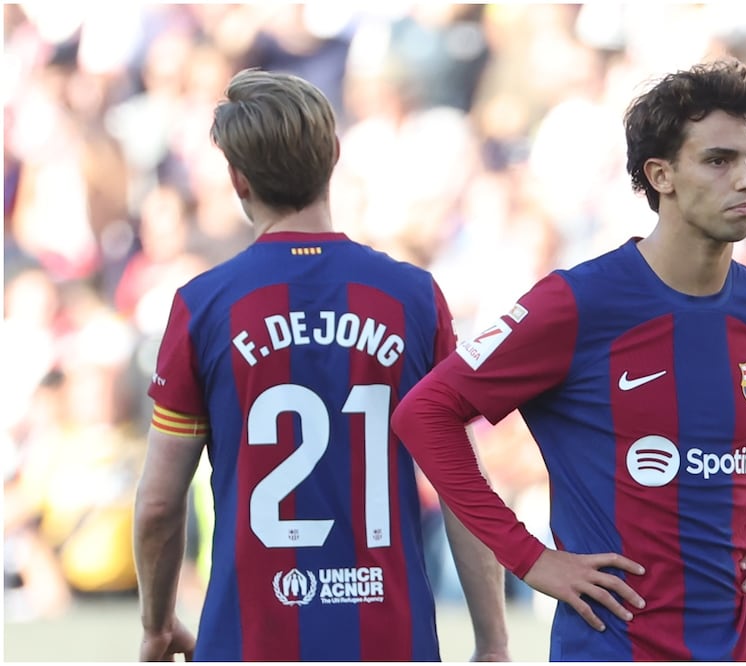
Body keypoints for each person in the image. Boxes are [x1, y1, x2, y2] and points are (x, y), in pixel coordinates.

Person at [393, 57, 746, 661]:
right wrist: (529, 556)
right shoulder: (577, 303)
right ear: (662, 175)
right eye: (718, 160)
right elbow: (426, 413)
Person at [132, 69, 508, 662]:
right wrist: (493, 642)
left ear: (236, 178)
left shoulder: (202, 307)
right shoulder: (412, 298)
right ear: (333, 155)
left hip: (249, 643)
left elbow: (158, 505)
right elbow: (463, 486)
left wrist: (157, 624)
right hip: (389, 642)